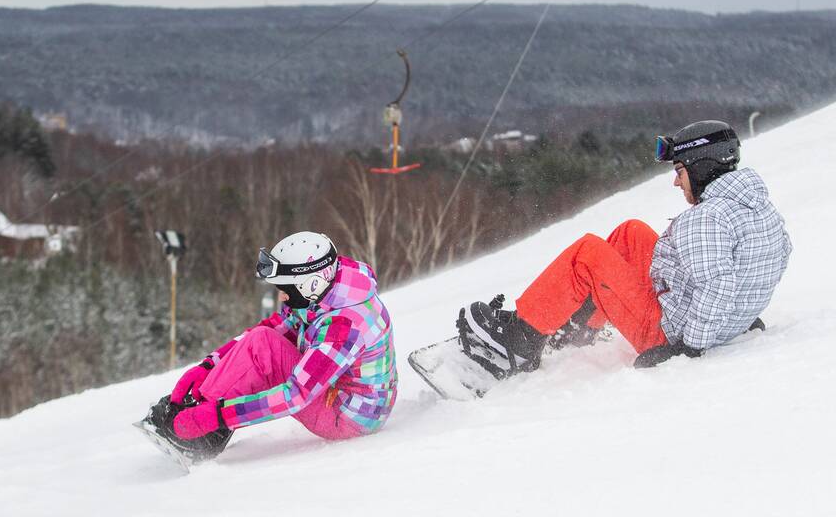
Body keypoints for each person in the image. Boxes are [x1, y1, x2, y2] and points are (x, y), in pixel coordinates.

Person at [457, 120, 792, 372]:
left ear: (702, 166)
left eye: (680, 170)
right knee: (631, 234)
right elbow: (767, 261)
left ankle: (518, 341)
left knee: (587, 254)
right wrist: (741, 317)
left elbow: (717, 285)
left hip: (667, 334)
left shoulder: (705, 219)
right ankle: (575, 327)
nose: (676, 181)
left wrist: (690, 347)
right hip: (710, 317)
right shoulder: (757, 207)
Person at [145, 231, 397, 462]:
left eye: (285, 289)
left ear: (309, 284)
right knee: (262, 340)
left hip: (349, 416)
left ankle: (205, 429)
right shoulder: (329, 287)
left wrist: (219, 415)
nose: (281, 296)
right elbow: (279, 326)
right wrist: (209, 365)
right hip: (336, 388)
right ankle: (202, 405)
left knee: (265, 348)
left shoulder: (342, 327)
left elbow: (295, 395)